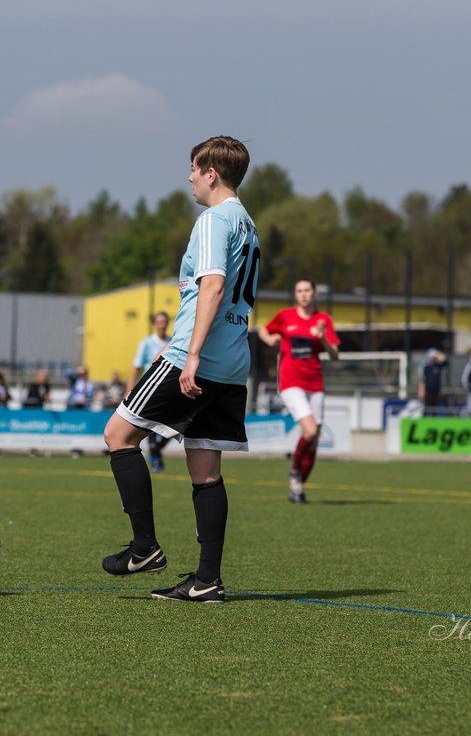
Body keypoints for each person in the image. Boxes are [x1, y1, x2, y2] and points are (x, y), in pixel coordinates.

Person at [100, 135, 259, 604]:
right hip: (232, 361)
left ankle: (144, 548)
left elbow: (212, 287)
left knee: (117, 436)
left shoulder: (214, 219)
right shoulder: (248, 224)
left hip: (197, 355)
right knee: (205, 469)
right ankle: (208, 579)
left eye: (193, 167)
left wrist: (189, 354)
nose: (189, 176)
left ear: (212, 173)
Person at [257, 278, 340, 503]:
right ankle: (295, 472)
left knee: (313, 440)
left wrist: (322, 337)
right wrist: (271, 340)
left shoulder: (324, 320)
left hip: (315, 384)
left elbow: (335, 355)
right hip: (290, 382)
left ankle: (297, 486)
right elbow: (263, 331)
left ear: (315, 294)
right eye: (299, 291)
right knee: (311, 431)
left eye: (307, 290)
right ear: (296, 295)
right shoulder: (285, 316)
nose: (303, 294)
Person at [129, 311, 173, 472]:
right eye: (159, 321)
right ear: (154, 324)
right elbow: (136, 367)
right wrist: (130, 388)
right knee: (151, 424)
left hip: (169, 388)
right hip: (151, 388)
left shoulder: (172, 341)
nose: (162, 324)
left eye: (164, 321)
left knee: (173, 426)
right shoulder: (146, 343)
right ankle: (155, 459)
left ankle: (156, 451)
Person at [417, 348, 446, 415]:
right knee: (426, 408)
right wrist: (421, 390)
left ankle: (433, 422)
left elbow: (445, 360)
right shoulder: (425, 366)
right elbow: (422, 379)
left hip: (436, 390)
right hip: (427, 390)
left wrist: (438, 354)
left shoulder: (438, 365)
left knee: (434, 409)